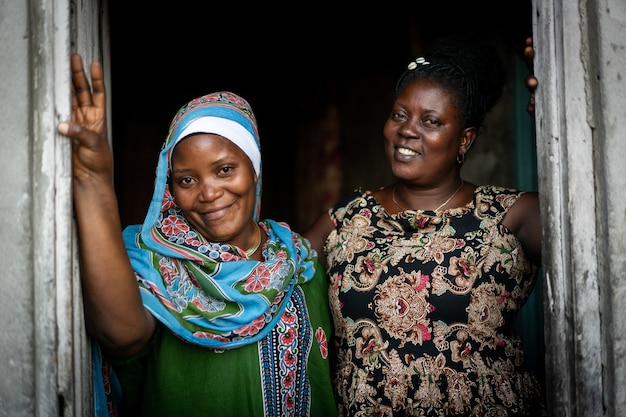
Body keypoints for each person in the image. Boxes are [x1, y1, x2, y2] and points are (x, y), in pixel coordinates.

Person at [57, 55, 337, 417]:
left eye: (224, 170)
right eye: (187, 180)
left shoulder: (297, 260)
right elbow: (121, 334)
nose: (208, 193)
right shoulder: (155, 263)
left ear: (254, 170)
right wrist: (93, 180)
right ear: (170, 188)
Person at [304, 34, 546, 416]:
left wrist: (558, 113)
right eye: (399, 115)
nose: (407, 130)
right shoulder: (345, 220)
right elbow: (270, 276)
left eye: (430, 121)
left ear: (464, 139)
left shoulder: (512, 215)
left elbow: (597, 233)